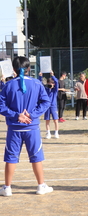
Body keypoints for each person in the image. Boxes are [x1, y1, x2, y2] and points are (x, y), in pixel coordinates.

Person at [0, 56, 53, 196]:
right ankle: (41, 186)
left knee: (11, 158)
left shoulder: (8, 85)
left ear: (13, 69)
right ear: (29, 68)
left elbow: (1, 106)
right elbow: (46, 102)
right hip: (32, 127)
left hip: (14, 128)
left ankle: (7, 188)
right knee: (36, 156)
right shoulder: (36, 83)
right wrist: (32, 115)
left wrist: (17, 115)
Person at [39, 71, 59, 139]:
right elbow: (40, 84)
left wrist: (53, 75)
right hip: (47, 106)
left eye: (51, 83)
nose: (50, 85)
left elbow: (57, 82)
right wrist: (40, 76)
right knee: (47, 120)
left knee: (55, 120)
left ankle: (56, 132)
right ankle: (48, 133)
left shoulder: (54, 90)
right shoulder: (45, 89)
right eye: (49, 84)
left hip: (53, 106)